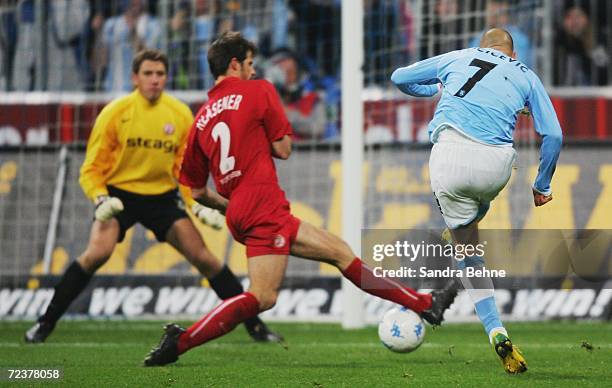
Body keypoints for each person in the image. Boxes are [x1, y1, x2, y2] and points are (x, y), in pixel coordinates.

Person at [143, 31, 457, 367]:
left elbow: (196, 191)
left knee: (339, 252)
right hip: (262, 205)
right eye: (249, 64)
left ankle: (426, 305)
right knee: (262, 298)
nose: (253, 70)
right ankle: (181, 341)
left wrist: (229, 205)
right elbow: (284, 148)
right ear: (234, 64)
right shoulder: (259, 90)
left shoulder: (201, 119)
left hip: (244, 208)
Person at [24, 49, 281, 344]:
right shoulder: (115, 113)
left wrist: (195, 206)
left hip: (161, 197)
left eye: (160, 74)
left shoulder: (180, 114)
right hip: (119, 197)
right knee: (97, 253)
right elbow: (91, 168)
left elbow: (183, 169)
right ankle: (44, 324)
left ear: (166, 77)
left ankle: (256, 327)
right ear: (135, 77)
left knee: (204, 258)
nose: (154, 80)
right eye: (148, 74)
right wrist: (100, 199)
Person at [391, 28, 563, 374]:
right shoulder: (526, 74)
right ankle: (467, 230)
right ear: (512, 54)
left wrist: (435, 88)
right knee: (478, 203)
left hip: (449, 159)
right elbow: (554, 135)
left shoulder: (458, 57)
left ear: (480, 47)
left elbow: (399, 78)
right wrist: (542, 184)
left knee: (468, 252)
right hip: (496, 165)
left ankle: (495, 328)